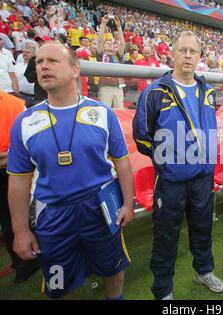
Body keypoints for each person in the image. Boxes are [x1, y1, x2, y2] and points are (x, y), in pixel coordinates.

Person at [7, 41, 134, 299]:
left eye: (53, 61)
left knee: (113, 269)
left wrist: (128, 204)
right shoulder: (25, 121)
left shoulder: (102, 113)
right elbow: (18, 181)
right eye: (40, 61)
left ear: (75, 70)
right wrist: (20, 231)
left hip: (100, 209)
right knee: (61, 285)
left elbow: (122, 161)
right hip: (53, 215)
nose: (43, 66)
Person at [133, 30, 223, 300]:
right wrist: (168, 162)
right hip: (171, 182)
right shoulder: (154, 93)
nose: (187, 55)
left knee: (202, 228)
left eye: (192, 51)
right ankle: (162, 290)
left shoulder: (208, 92)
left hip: (203, 179)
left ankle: (203, 271)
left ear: (199, 57)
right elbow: (141, 136)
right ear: (171, 54)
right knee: (166, 236)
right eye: (182, 50)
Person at [0, 90, 40, 284]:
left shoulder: (16, 104)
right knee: (12, 217)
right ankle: (25, 263)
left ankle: (24, 262)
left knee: (12, 217)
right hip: (14, 167)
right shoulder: (16, 104)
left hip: (13, 167)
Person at [97, 14, 126, 108]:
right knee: (105, 111)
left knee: (120, 112)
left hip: (118, 87)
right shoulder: (101, 55)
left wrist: (118, 26)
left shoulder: (117, 56)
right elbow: (100, 40)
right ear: (103, 46)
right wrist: (103, 23)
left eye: (111, 43)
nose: (109, 44)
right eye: (107, 43)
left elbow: (122, 43)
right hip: (105, 87)